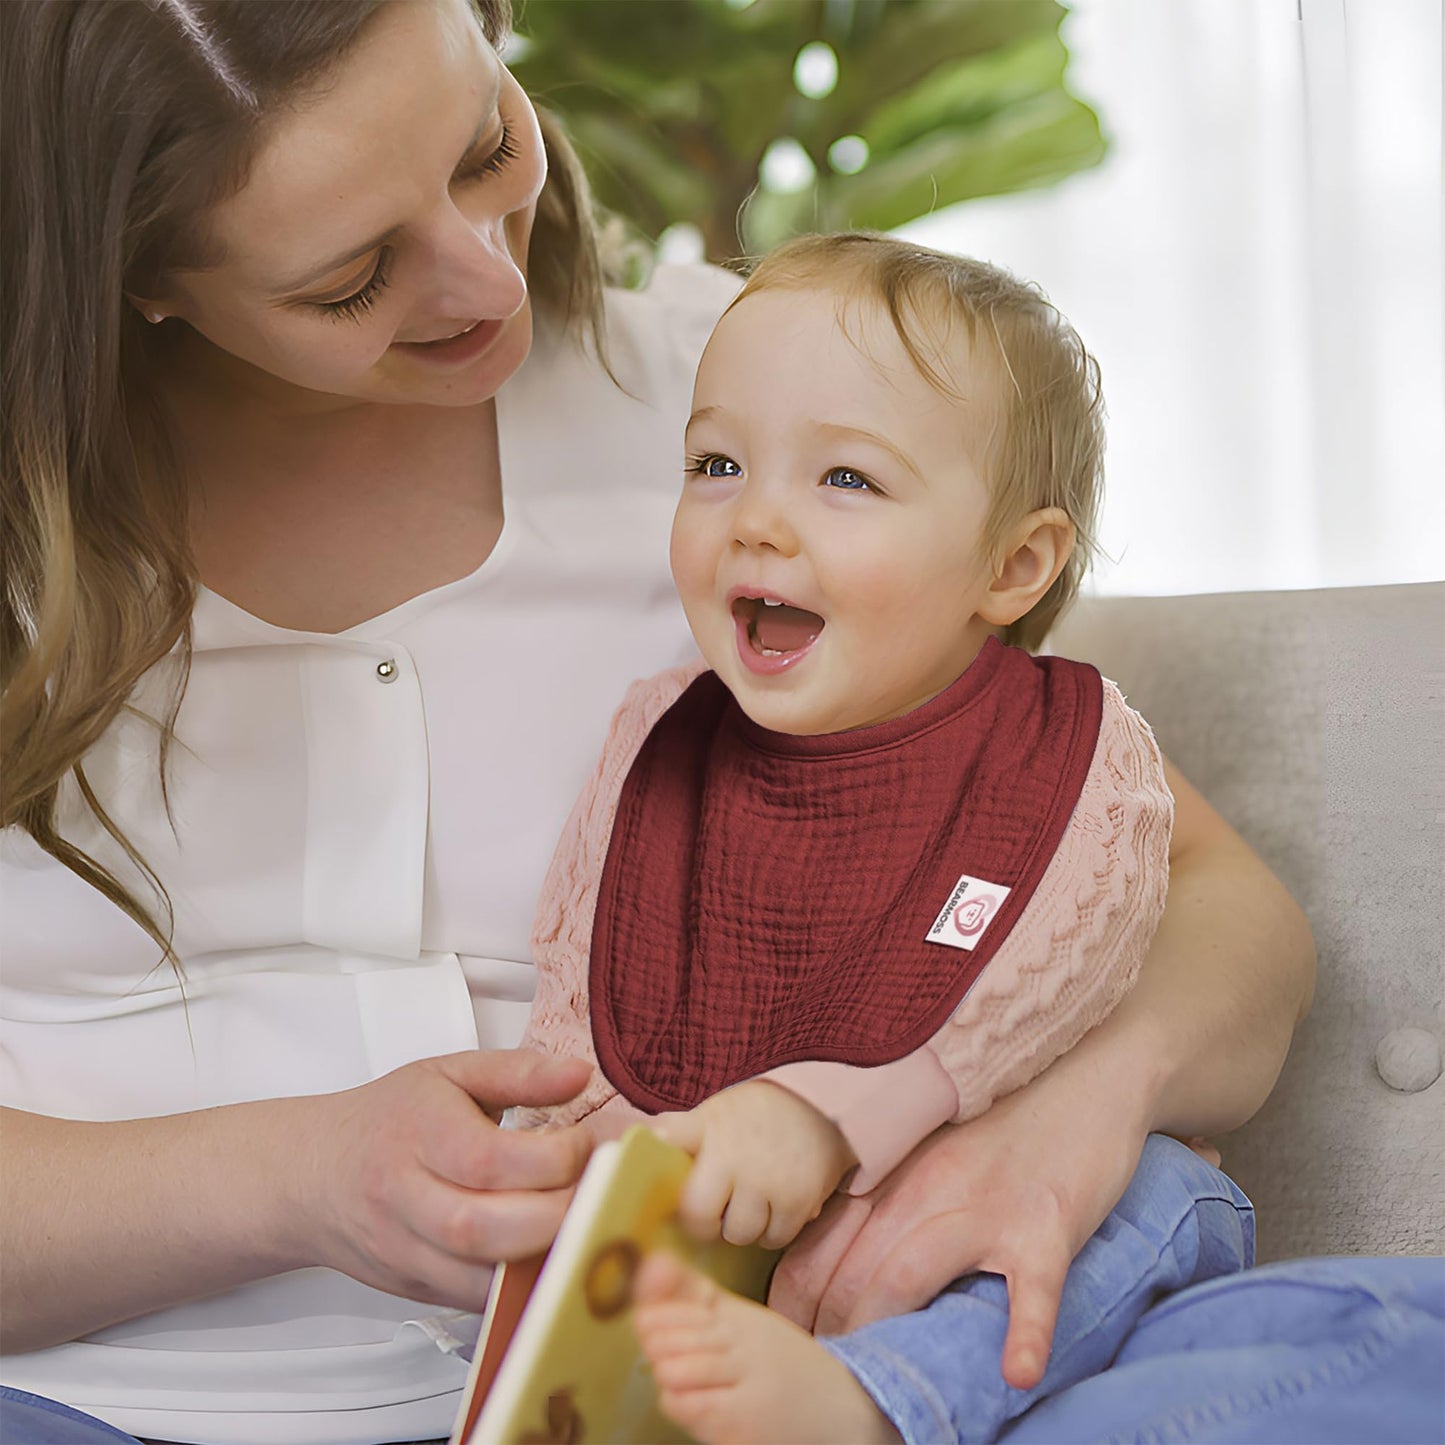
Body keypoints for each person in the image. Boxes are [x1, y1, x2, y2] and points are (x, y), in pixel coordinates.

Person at [0, 1, 1322, 1442]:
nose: (480, 276)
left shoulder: (759, 407)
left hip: (713, 1383)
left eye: (484, 142)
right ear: (139, 280)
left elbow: (1194, 889)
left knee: (1376, 1343)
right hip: (89, 1398)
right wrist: (292, 1174)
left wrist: (1066, 1121)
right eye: (351, 277)